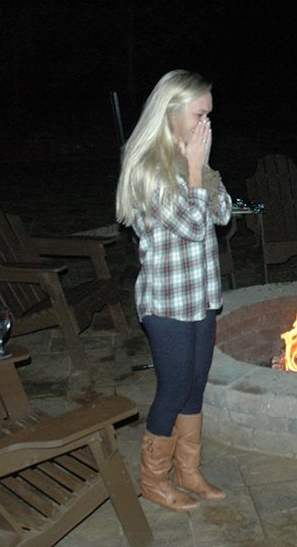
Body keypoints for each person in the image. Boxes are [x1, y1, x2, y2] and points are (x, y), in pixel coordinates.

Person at [115, 70, 232, 512]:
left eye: (208, 115)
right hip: (166, 301)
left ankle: (188, 471)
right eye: (200, 114)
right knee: (172, 388)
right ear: (174, 110)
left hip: (200, 294)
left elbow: (221, 215)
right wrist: (196, 170)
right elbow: (193, 225)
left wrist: (201, 167)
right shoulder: (148, 165)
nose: (206, 124)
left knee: (195, 386)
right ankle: (152, 480)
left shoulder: (191, 158)